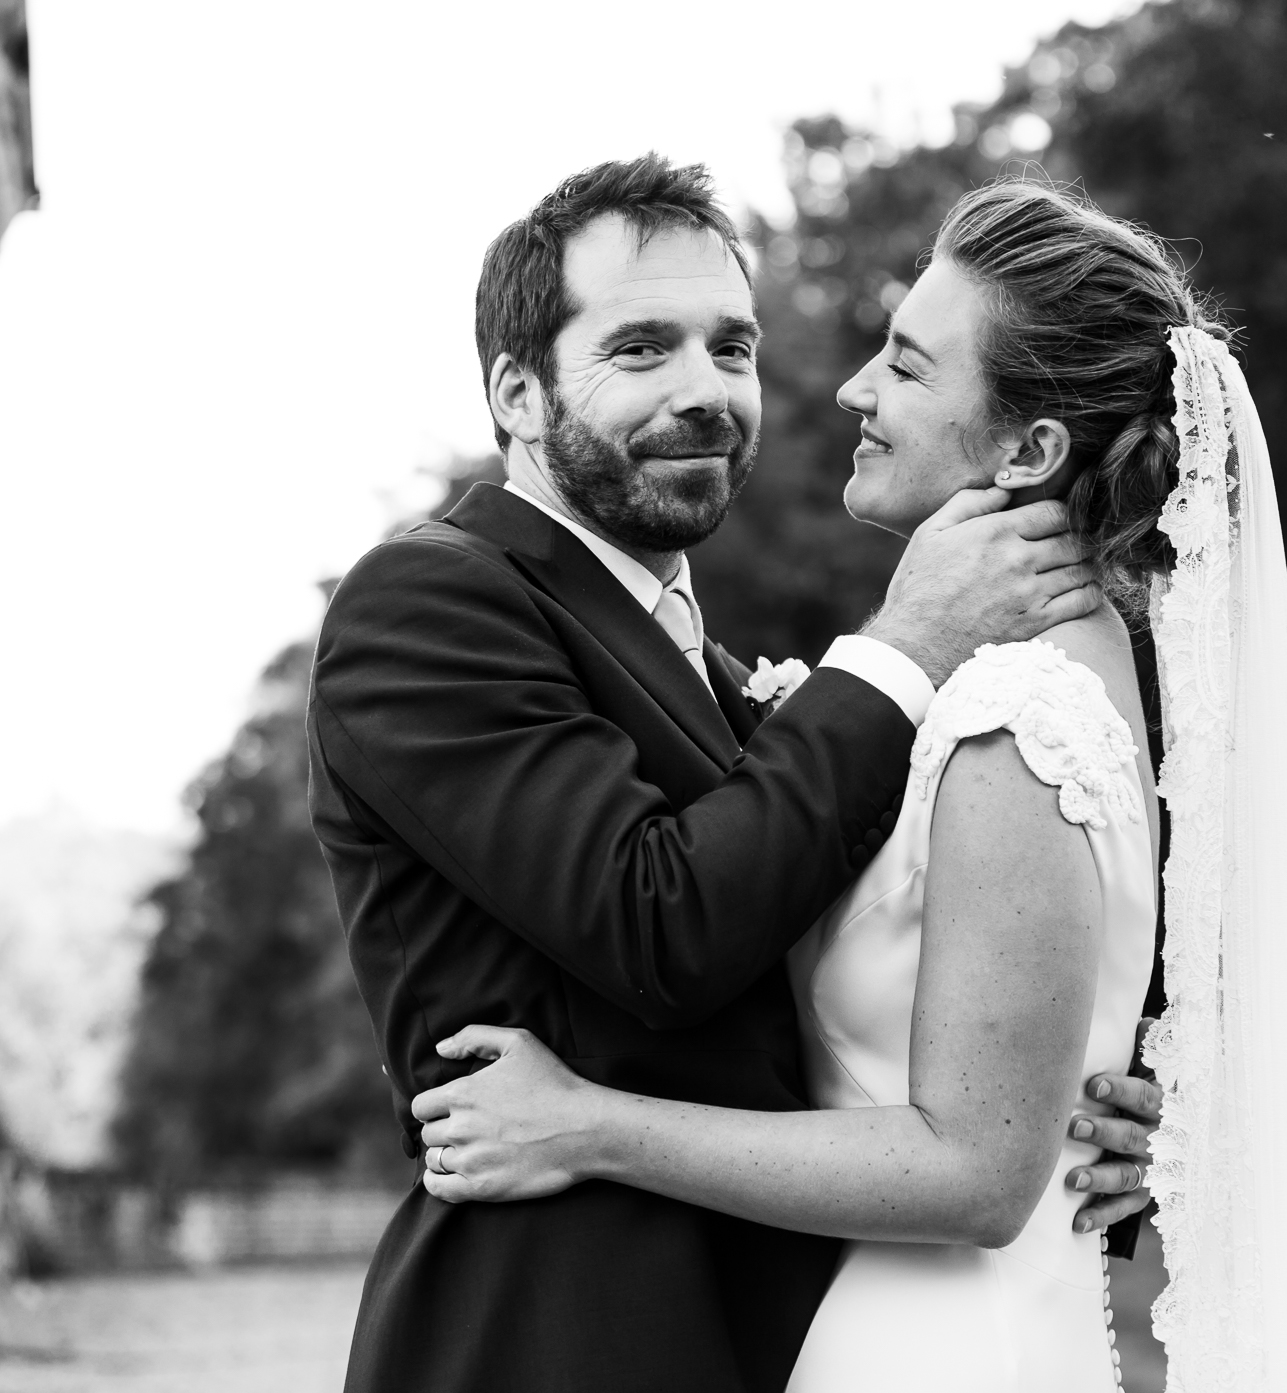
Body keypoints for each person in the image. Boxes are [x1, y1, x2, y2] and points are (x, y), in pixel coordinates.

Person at [307, 157, 1160, 1393]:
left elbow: (988, 1032)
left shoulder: (741, 669)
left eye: (733, 346)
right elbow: (661, 924)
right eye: (642, 348)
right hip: (558, 1338)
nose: (706, 391)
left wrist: (1122, 1119)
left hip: (821, 1328)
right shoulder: (429, 603)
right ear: (518, 392)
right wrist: (903, 644)